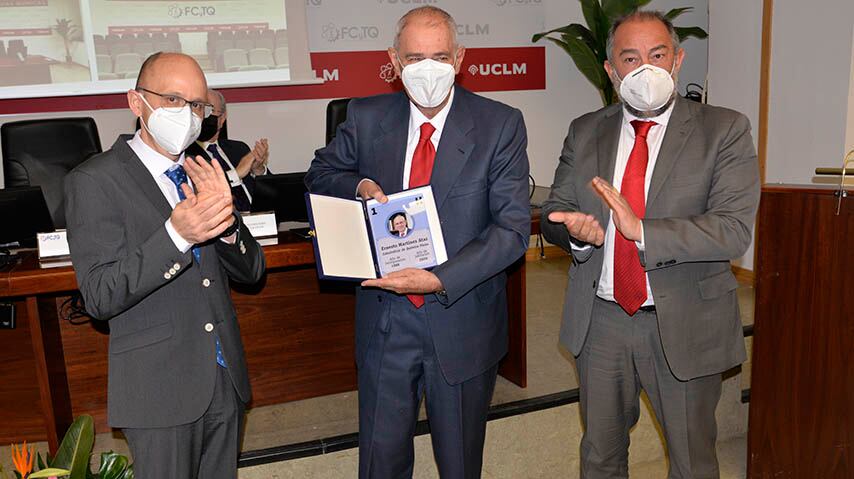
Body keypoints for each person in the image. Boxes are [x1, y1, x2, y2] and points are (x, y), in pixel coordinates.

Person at [305, 6, 530, 478]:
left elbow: (511, 231)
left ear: (460, 58)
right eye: (414, 57)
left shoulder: (500, 125)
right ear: (394, 59)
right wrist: (360, 185)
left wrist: (438, 279)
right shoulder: (366, 117)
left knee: (459, 464)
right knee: (380, 462)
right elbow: (320, 173)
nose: (428, 68)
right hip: (386, 318)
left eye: (440, 56)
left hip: (461, 316)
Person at [541, 11, 759, 479]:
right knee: (600, 456)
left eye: (658, 55)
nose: (646, 68)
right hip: (600, 322)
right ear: (611, 70)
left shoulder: (724, 129)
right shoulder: (585, 130)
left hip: (683, 322)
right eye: (630, 57)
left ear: (677, 61)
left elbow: (733, 229)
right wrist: (574, 233)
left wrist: (642, 231)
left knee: (691, 462)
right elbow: (553, 210)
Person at [64, 52, 265, 479]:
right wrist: (177, 236)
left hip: (223, 377)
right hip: (158, 387)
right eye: (174, 100)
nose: (188, 115)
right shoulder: (94, 180)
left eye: (196, 105)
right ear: (137, 103)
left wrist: (226, 225)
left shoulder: (204, 169)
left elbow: (252, 273)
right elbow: (99, 296)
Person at [186, 88, 270, 212]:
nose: (204, 115)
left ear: (222, 118)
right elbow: (199, 193)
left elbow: (272, 192)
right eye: (199, 108)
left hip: (261, 222)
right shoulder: (188, 154)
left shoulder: (239, 148)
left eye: (210, 110)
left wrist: (258, 170)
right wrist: (237, 173)